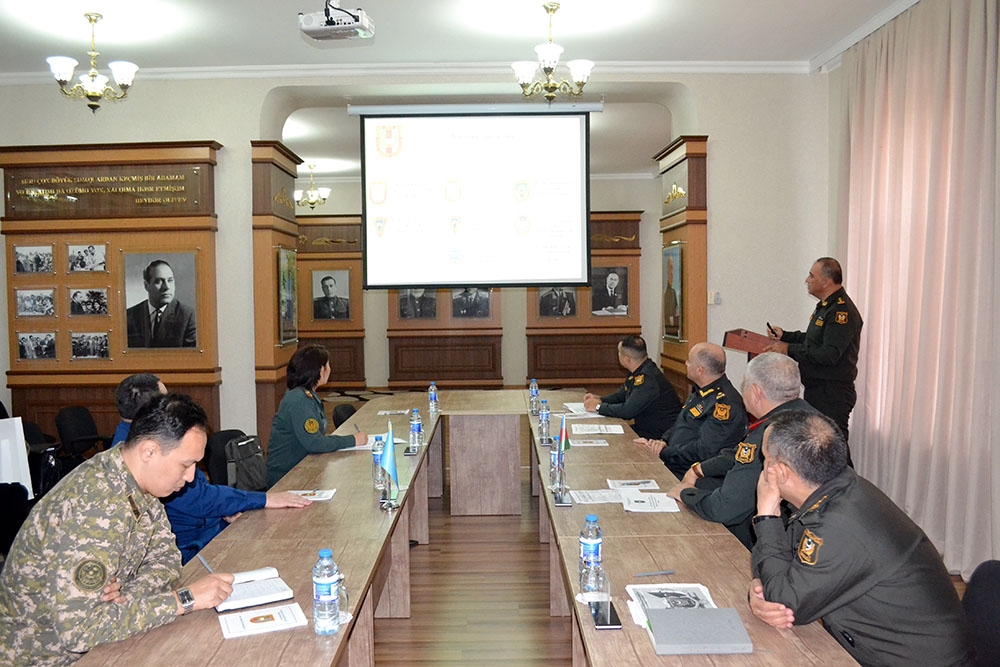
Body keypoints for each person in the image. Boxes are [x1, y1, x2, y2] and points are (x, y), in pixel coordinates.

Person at [0, 394, 235, 666]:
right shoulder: (94, 507)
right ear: (149, 451)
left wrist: (126, 594)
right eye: (185, 464)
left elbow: (168, 560)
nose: (192, 477)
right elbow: (81, 632)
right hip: (50, 660)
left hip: (104, 644)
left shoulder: (139, 480)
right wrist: (185, 599)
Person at [749, 411, 972, 666]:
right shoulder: (835, 489)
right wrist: (761, 587)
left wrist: (766, 516)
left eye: (765, 458)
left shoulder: (839, 524)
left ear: (780, 472)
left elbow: (785, 602)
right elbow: (779, 572)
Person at [113, 374, 313, 563]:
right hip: (195, 546)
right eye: (165, 402)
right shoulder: (151, 461)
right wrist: (261, 500)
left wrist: (224, 512)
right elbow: (200, 500)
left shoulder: (139, 448)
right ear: (151, 414)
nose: (189, 475)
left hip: (208, 530)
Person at [667, 352, 815, 548]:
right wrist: (699, 469)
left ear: (755, 392)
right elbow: (738, 454)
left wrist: (687, 494)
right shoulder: (810, 417)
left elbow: (724, 508)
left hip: (785, 544)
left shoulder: (772, 434)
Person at [765, 257, 862, 447]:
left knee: (832, 449)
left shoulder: (841, 312)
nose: (807, 280)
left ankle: (846, 470)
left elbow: (828, 354)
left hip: (832, 393)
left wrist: (788, 349)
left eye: (811, 276)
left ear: (826, 282)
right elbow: (812, 340)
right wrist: (786, 336)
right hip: (818, 390)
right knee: (820, 450)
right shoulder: (826, 306)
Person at [634, 342, 747, 478]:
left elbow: (702, 451)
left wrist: (664, 451)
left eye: (689, 361)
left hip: (693, 475)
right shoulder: (701, 391)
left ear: (700, 370)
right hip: (674, 462)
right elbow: (682, 423)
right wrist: (663, 441)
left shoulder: (725, 404)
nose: (686, 363)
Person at [267, 344, 368, 487]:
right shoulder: (298, 400)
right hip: (287, 478)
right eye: (328, 365)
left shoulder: (306, 395)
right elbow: (315, 443)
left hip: (303, 469)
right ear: (321, 370)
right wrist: (353, 440)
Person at [582, 335, 681, 440]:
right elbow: (620, 396)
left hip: (659, 436)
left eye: (619, 353)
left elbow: (627, 411)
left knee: (609, 439)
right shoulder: (638, 371)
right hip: (646, 429)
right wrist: (599, 399)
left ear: (626, 359)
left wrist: (598, 407)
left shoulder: (648, 378)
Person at [126, 260, 197, 348]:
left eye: (170, 280)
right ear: (146, 285)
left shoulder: (187, 316)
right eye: (159, 281)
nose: (166, 287)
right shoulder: (129, 315)